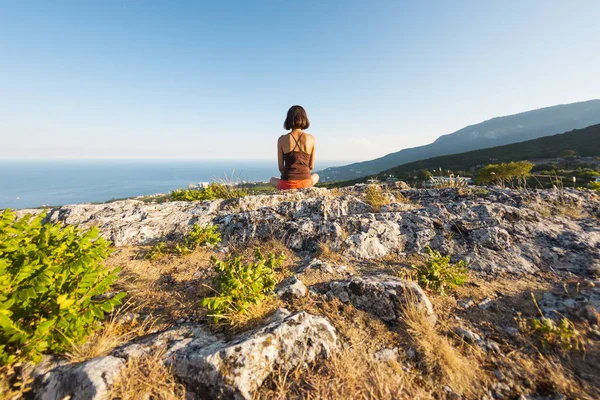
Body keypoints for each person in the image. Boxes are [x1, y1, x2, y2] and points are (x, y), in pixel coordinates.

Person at [269, 105, 319, 190]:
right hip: (305, 183)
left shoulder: (281, 139)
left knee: (272, 179)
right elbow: (311, 166)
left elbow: (281, 168)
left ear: (288, 120)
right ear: (304, 118)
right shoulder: (311, 139)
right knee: (316, 176)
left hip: (287, 184)